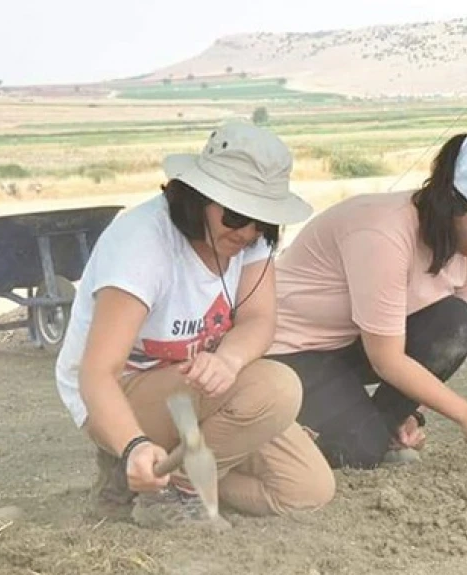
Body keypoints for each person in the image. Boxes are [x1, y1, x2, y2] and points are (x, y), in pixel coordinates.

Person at [55, 120, 335, 528]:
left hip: (201, 391)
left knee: (305, 490)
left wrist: (229, 359)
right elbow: (97, 373)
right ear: (198, 197)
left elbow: (259, 319)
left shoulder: (248, 240)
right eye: (238, 215)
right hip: (120, 397)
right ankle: (170, 489)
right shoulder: (142, 244)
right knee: (275, 388)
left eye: (264, 220)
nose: (250, 232)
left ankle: (158, 478)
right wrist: (132, 443)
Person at [264, 133, 467, 469]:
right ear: (451, 202)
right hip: (290, 351)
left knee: (456, 323)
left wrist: (412, 413)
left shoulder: (465, 248)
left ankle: (375, 430)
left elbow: (439, 338)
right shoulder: (383, 232)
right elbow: (387, 359)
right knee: (360, 451)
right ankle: (283, 426)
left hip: (352, 345)